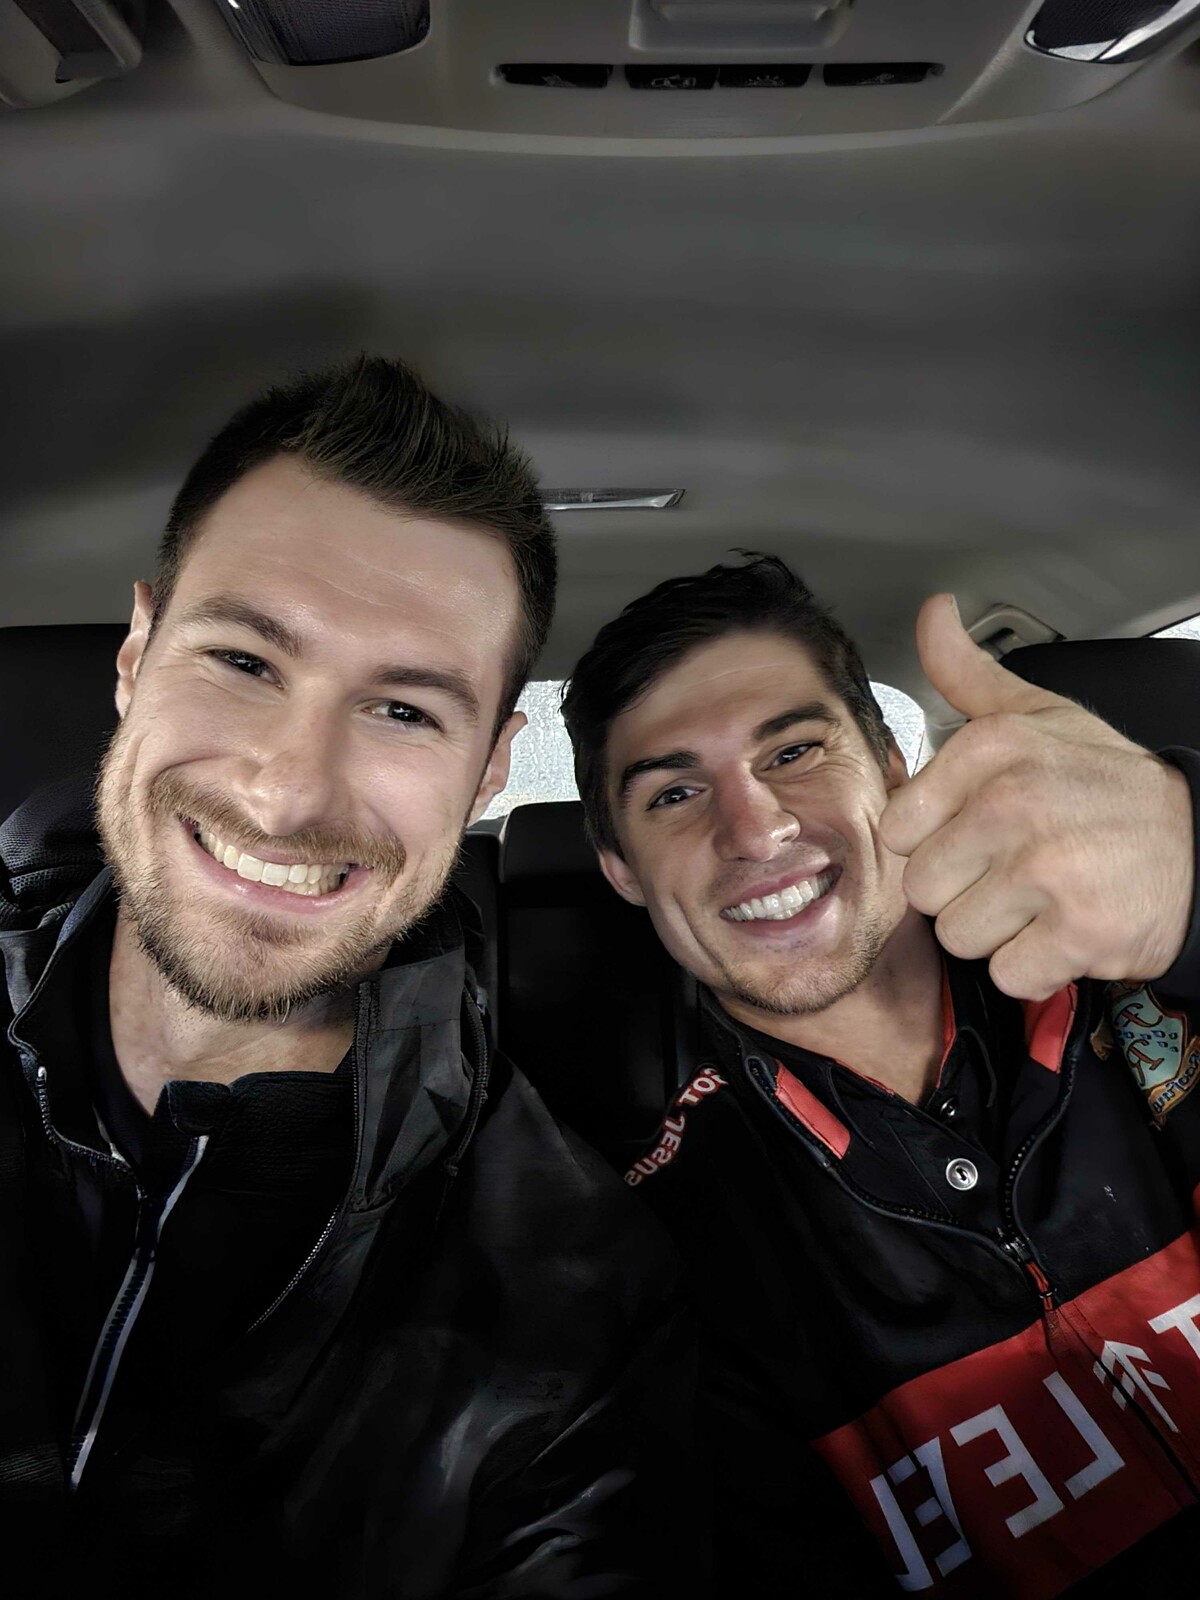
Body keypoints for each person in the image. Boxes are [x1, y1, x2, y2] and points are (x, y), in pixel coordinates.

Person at [0, 357, 684, 1599]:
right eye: (245, 663)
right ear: (136, 653)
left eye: (406, 712)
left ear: (488, 774)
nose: (288, 791)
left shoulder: (576, 1306)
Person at [561, 552, 1200, 1598]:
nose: (757, 828)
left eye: (797, 749)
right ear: (622, 868)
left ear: (896, 767)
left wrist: (1198, 870)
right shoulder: (650, 1244)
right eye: (676, 792)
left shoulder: (1149, 983)